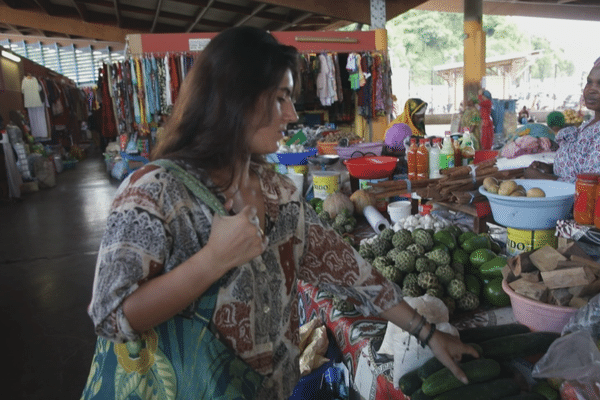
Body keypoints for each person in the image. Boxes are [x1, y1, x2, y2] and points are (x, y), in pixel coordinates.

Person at [81, 27, 477, 399]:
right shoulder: (155, 192)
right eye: (279, 98)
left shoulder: (279, 193)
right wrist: (212, 260)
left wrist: (427, 334)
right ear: (234, 99)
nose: (291, 115)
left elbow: (352, 272)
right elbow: (112, 316)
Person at [525, 58, 600, 183]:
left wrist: (541, 178)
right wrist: (550, 169)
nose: (591, 89)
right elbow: (578, 167)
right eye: (589, 82)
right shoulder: (589, 125)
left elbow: (590, 187)